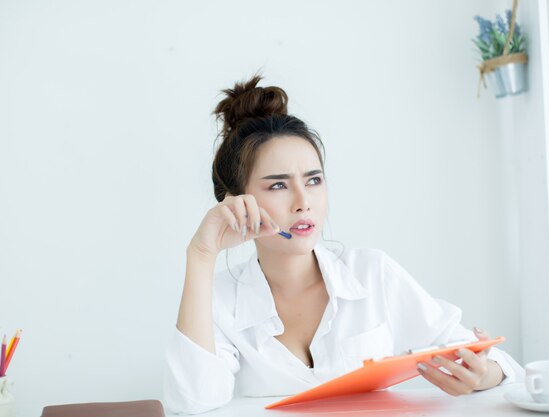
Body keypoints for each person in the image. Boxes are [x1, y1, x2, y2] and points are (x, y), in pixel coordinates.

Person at [163, 75, 523, 414]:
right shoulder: (219, 299)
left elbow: (493, 362)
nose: (303, 202)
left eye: (314, 180)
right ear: (236, 202)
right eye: (278, 185)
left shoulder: (372, 273)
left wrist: (485, 374)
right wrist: (200, 255)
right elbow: (193, 403)